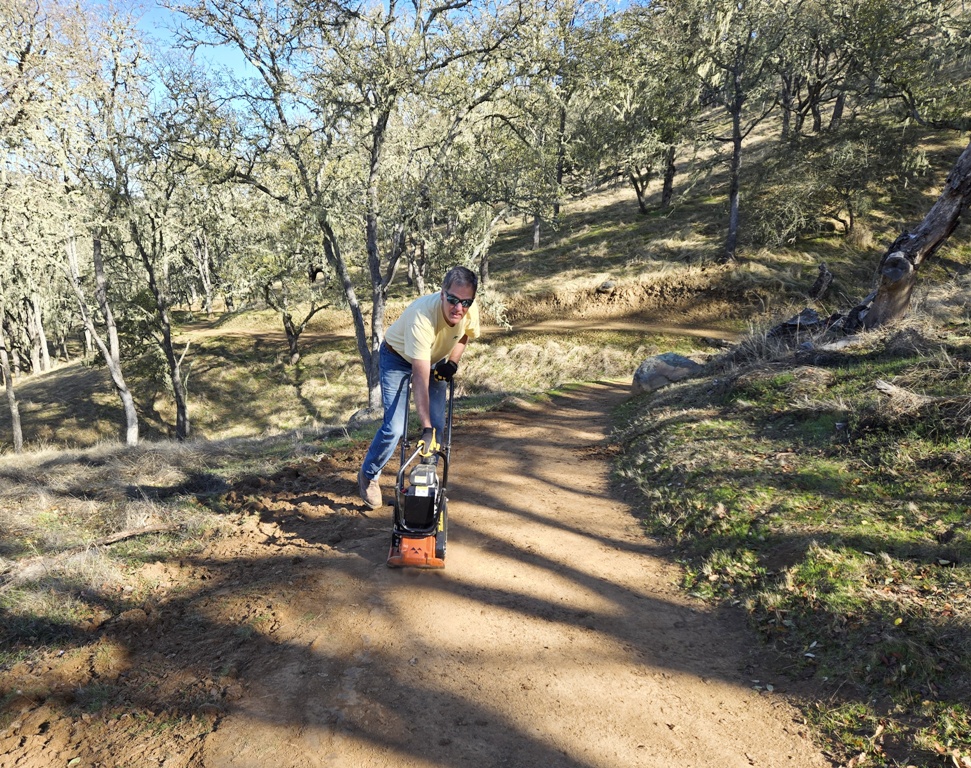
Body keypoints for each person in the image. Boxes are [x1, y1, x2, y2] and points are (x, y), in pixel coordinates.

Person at [358, 266, 480, 509]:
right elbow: (420, 379)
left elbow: (466, 334)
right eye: (453, 300)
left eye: (465, 302)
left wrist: (452, 363)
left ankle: (426, 476)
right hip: (397, 358)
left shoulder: (468, 308)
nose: (459, 308)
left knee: (437, 423)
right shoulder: (422, 316)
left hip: (433, 357)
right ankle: (368, 475)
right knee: (395, 427)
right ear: (443, 294)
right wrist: (424, 428)